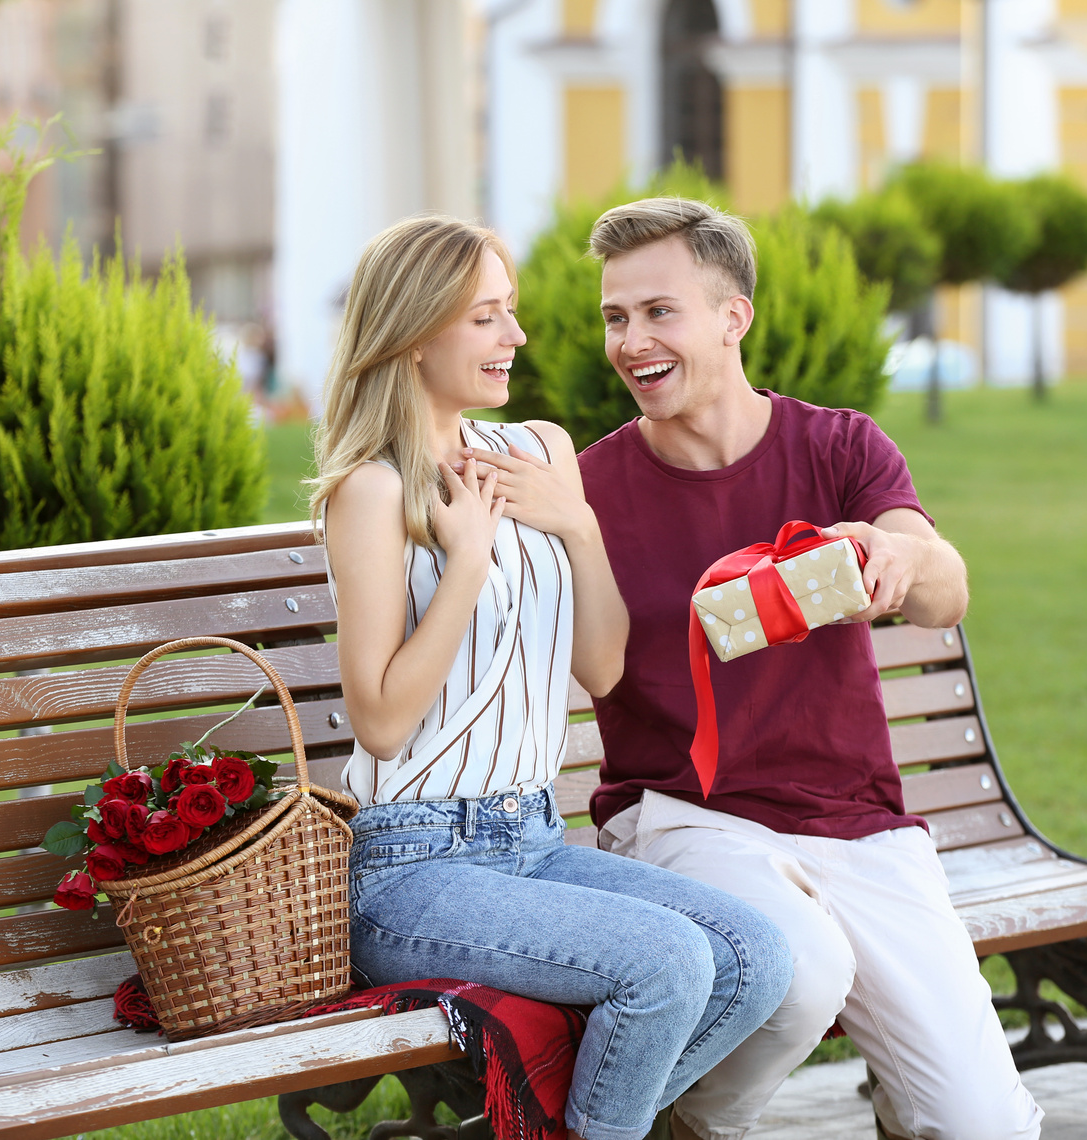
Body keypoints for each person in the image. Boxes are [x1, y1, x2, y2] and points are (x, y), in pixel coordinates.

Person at [467, 198, 1042, 1140]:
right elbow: (594, 673)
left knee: (982, 1124)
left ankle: (908, 1099)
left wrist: (897, 559)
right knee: (799, 967)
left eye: (660, 312)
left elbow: (946, 590)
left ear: (733, 317)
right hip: (686, 819)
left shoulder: (838, 447)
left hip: (857, 823)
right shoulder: (592, 490)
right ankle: (694, 1123)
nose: (630, 341)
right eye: (616, 316)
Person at [312, 214, 793, 1140]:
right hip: (413, 868)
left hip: (531, 835)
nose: (516, 337)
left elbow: (602, 664)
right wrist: (464, 561)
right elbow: (378, 720)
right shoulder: (371, 491)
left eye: (512, 311)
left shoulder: (537, 450)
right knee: (666, 967)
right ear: (415, 335)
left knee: (755, 958)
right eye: (487, 317)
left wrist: (576, 525)